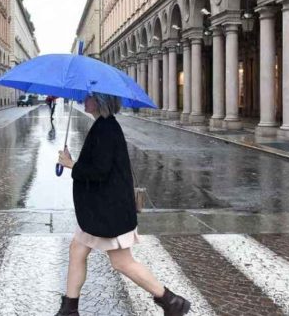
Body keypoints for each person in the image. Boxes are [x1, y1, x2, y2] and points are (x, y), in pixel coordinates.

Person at [56, 92, 191, 316]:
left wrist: (72, 165)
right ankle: (70, 308)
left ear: (99, 101)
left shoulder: (107, 128)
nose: (84, 101)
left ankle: (171, 301)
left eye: (89, 98)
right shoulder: (103, 125)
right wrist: (74, 161)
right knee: (77, 250)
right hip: (98, 211)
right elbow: (99, 164)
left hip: (107, 212)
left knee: (122, 262)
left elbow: (100, 171)